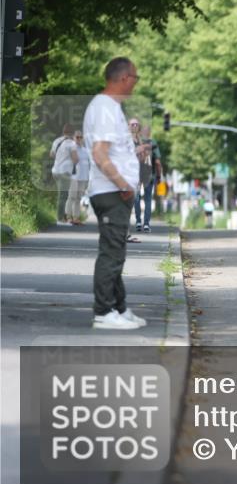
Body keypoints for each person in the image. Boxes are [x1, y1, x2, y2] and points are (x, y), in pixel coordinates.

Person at [83, 56, 146, 330]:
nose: (136, 83)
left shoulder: (110, 108)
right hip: (110, 191)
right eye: (135, 77)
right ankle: (104, 312)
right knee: (111, 252)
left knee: (116, 250)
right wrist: (122, 183)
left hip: (113, 191)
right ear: (123, 78)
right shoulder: (105, 108)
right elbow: (100, 153)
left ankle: (119, 307)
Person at [133, 124, 161, 233]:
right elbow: (158, 162)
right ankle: (146, 224)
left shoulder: (135, 143)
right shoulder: (153, 143)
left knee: (137, 198)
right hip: (150, 175)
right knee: (148, 199)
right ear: (149, 133)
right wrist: (159, 176)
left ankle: (138, 222)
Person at [50, 123, 77, 223]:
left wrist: (60, 157)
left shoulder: (57, 141)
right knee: (63, 196)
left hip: (55, 171)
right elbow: (75, 158)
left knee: (62, 195)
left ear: (63, 131)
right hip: (64, 172)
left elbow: (51, 154)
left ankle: (62, 217)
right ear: (72, 132)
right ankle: (60, 219)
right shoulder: (72, 143)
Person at [65, 131, 91, 225]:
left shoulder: (85, 150)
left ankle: (76, 218)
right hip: (74, 176)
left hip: (83, 177)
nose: (79, 139)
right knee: (71, 196)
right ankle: (68, 217)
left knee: (78, 198)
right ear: (74, 138)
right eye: (77, 137)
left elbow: (89, 164)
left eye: (80, 137)